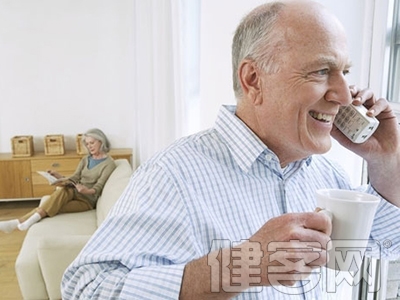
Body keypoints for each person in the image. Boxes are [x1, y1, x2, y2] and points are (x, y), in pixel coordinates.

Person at [62, 1, 400, 299]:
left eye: (345, 72)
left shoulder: (328, 175)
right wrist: (243, 265)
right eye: (322, 71)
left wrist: (386, 161)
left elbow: (381, 248)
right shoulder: (172, 176)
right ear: (253, 79)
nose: (344, 95)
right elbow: (86, 288)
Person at [0, 128, 116, 233]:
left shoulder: (108, 164)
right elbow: (75, 177)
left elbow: (98, 187)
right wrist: (59, 177)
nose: (89, 146)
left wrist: (86, 190)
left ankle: (17, 223)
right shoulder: (86, 159)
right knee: (59, 196)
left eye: (92, 143)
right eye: (87, 144)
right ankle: (22, 222)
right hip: (73, 192)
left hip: (86, 201)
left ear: (101, 141)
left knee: (52, 203)